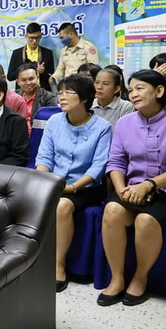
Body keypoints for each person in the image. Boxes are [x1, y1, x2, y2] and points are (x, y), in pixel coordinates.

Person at [99, 70, 166, 307]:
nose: (133, 94)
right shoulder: (124, 123)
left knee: (145, 220)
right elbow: (116, 162)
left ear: (159, 91)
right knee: (112, 210)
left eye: (140, 88)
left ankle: (140, 278)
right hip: (132, 190)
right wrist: (121, 190)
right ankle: (117, 278)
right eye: (131, 90)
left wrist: (149, 185)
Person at [35, 74, 112, 292]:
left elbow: (98, 167)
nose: (62, 97)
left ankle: (59, 265)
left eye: (69, 92)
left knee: (62, 205)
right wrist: (44, 180)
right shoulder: (54, 121)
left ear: (85, 98)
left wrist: (72, 188)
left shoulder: (102, 127)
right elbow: (44, 157)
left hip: (86, 187)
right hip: (55, 181)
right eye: (60, 92)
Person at [7, 23, 55, 90]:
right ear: (26, 36)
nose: (34, 41)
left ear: (41, 36)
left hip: (43, 92)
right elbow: (10, 77)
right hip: (22, 92)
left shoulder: (47, 53)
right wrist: (22, 70)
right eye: (31, 38)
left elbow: (52, 78)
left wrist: (43, 72)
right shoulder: (17, 53)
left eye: (37, 38)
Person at [16, 62, 58, 133]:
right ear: (18, 82)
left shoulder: (48, 97)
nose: (28, 83)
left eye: (31, 79)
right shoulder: (13, 97)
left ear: (38, 79)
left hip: (39, 135)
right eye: (23, 80)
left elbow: (52, 123)